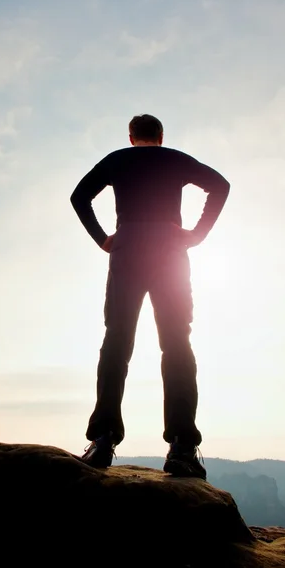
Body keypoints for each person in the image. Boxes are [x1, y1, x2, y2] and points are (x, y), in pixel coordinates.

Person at [70, 114, 230, 479]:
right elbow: (220, 185)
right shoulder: (174, 159)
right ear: (160, 136)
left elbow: (79, 196)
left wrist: (103, 239)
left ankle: (103, 440)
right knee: (176, 345)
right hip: (170, 252)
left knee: (117, 341)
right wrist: (196, 234)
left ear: (131, 137)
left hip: (127, 250)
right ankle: (182, 449)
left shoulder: (116, 160)